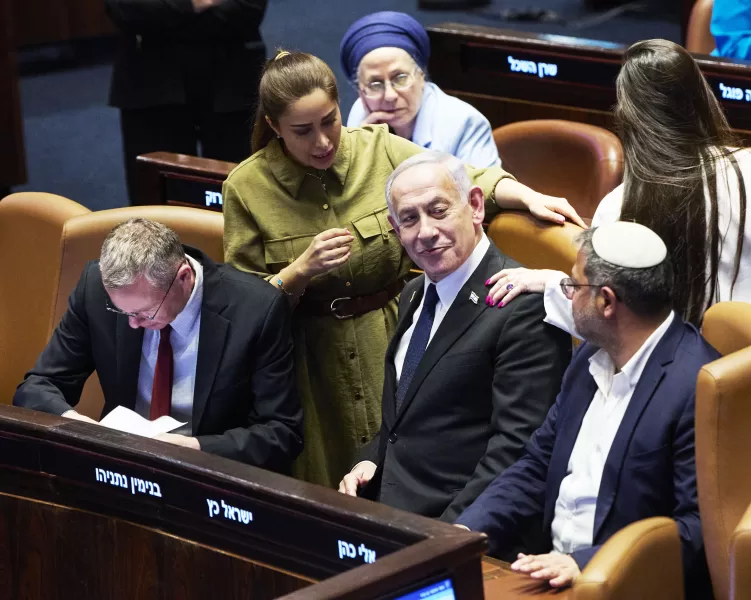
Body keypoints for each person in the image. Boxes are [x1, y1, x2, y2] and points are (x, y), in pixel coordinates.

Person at [222, 50, 584, 488]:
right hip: (311, 362)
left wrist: (526, 196)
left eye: (330, 121)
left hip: (389, 334)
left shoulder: (378, 147)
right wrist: (299, 272)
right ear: (275, 126)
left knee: (402, 457)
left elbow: (462, 181)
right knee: (328, 482)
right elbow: (241, 306)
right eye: (303, 131)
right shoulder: (247, 187)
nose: (322, 142)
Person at [485, 39, 751, 332]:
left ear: (628, 117)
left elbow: (604, 318)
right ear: (702, 98)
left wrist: (553, 284)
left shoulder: (618, 207)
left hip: (675, 378)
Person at [456, 222, 718, 597]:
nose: (568, 295)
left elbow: (699, 529)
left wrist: (585, 563)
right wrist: (466, 532)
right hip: (546, 571)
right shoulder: (590, 357)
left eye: (574, 286)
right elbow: (537, 464)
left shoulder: (698, 386)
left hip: (624, 586)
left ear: (606, 302)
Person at [337, 151, 571, 522]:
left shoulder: (522, 306)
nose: (426, 232)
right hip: (392, 512)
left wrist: (447, 535)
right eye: (409, 219)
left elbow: (517, 451)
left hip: (462, 525)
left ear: (475, 206)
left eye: (438, 210)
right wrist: (370, 460)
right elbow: (409, 417)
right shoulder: (414, 293)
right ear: (395, 229)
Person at [13, 218, 302, 474]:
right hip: (119, 469)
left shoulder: (256, 309)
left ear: (184, 277)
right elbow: (37, 387)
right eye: (122, 311)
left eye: (145, 312)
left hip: (209, 475)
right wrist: (82, 429)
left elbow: (281, 433)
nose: (133, 324)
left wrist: (194, 448)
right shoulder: (95, 289)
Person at [105, 0, 267, 204]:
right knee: (156, 200)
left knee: (243, 195)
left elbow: (249, 9)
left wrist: (165, 21)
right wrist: (192, 5)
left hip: (231, 77)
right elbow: (125, 9)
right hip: (150, 83)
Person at [340, 11, 500, 168]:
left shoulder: (466, 123)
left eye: (400, 78)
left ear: (421, 75)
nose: (390, 95)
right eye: (375, 84)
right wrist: (363, 154)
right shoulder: (361, 115)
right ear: (360, 91)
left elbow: (485, 186)